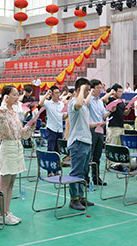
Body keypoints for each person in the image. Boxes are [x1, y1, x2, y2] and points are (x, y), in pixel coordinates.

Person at [0, 85, 36, 225]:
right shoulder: (1, 111)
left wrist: (30, 127)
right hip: (7, 147)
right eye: (13, 94)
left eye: (17, 94)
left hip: (17, 147)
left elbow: (21, 134)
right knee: (4, 184)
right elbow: (0, 116)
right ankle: (1, 215)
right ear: (6, 96)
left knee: (11, 183)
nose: (17, 97)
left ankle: (7, 211)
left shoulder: (14, 112)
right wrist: (3, 102)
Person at [67, 78, 94, 211]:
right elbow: (78, 104)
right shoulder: (73, 102)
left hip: (86, 141)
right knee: (76, 172)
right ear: (79, 89)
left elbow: (85, 122)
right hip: (78, 142)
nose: (88, 93)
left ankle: (81, 196)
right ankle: (74, 199)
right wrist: (82, 90)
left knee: (84, 172)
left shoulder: (83, 105)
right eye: (86, 90)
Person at [87, 79, 110, 186]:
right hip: (91, 129)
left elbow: (103, 115)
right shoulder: (88, 100)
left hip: (100, 129)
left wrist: (110, 111)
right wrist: (90, 93)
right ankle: (86, 178)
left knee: (97, 155)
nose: (100, 90)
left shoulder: (100, 102)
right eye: (98, 88)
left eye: (101, 88)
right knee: (89, 155)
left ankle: (96, 178)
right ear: (92, 89)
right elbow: (86, 104)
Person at [39, 85, 66, 153]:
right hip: (51, 129)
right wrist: (47, 93)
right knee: (51, 149)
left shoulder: (62, 104)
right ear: (52, 94)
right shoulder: (48, 103)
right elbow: (40, 103)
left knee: (58, 151)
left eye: (59, 92)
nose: (58, 94)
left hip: (59, 129)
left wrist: (69, 113)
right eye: (56, 93)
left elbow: (63, 117)